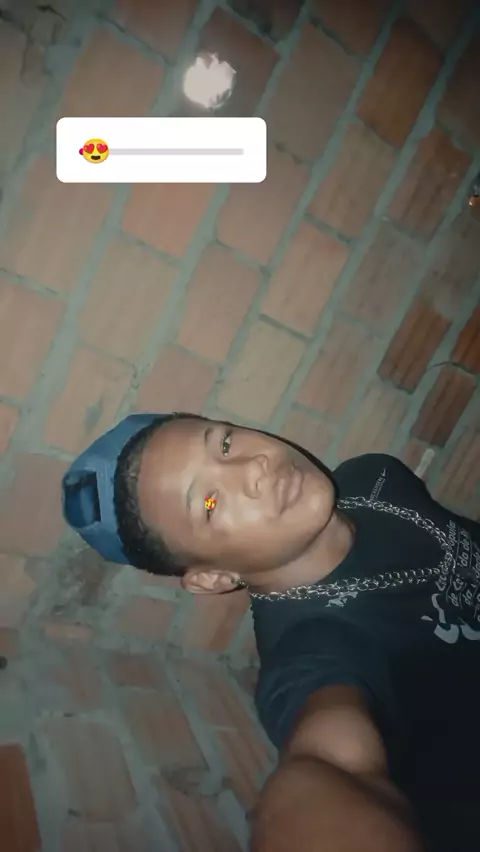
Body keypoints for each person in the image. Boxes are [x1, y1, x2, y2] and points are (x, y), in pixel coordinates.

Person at [62, 412, 480, 852]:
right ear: (214, 578)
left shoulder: (373, 477)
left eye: (225, 444)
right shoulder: (311, 648)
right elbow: (325, 766)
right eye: (209, 503)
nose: (254, 469)